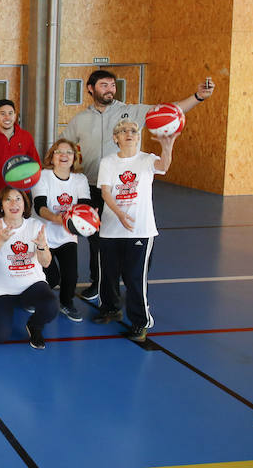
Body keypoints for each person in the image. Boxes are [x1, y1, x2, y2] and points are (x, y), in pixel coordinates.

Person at [61, 69, 215, 300]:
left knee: (129, 236)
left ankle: (131, 281)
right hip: (94, 186)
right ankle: (99, 281)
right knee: (98, 240)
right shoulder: (80, 119)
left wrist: (198, 97)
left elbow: (170, 110)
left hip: (126, 190)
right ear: (91, 89)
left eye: (112, 85)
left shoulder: (130, 111)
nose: (110, 89)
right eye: (104, 85)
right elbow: (64, 146)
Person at [93, 120, 178, 341]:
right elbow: (105, 193)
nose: (128, 133)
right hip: (111, 229)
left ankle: (141, 321)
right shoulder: (108, 162)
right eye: (123, 131)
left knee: (134, 277)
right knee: (108, 275)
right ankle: (110, 308)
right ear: (115, 138)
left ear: (138, 136)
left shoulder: (147, 160)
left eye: (133, 130)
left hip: (140, 230)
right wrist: (119, 214)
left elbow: (164, 166)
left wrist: (167, 146)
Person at [0, 187, 58, 349]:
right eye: (8, 199)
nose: (14, 203)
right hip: (1, 290)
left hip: (31, 286)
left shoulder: (36, 225)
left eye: (18, 198)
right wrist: (0, 240)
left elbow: (46, 263)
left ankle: (34, 326)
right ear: (1, 205)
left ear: (25, 204)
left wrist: (42, 246)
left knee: (51, 305)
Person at [32, 138, 91, 322]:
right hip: (44, 235)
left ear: (74, 157)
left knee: (71, 275)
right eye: (59, 152)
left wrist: (88, 218)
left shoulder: (80, 180)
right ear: (52, 157)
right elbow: (39, 206)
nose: (64, 155)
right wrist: (59, 219)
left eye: (68, 152)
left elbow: (85, 206)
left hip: (66, 236)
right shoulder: (42, 176)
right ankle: (32, 297)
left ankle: (66, 303)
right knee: (52, 278)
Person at [0, 99, 41, 220]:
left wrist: (28, 189)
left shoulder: (26, 136)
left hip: (21, 195)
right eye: (3, 113)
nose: (7, 117)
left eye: (10, 113)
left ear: (15, 115)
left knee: (21, 232)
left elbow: (36, 165)